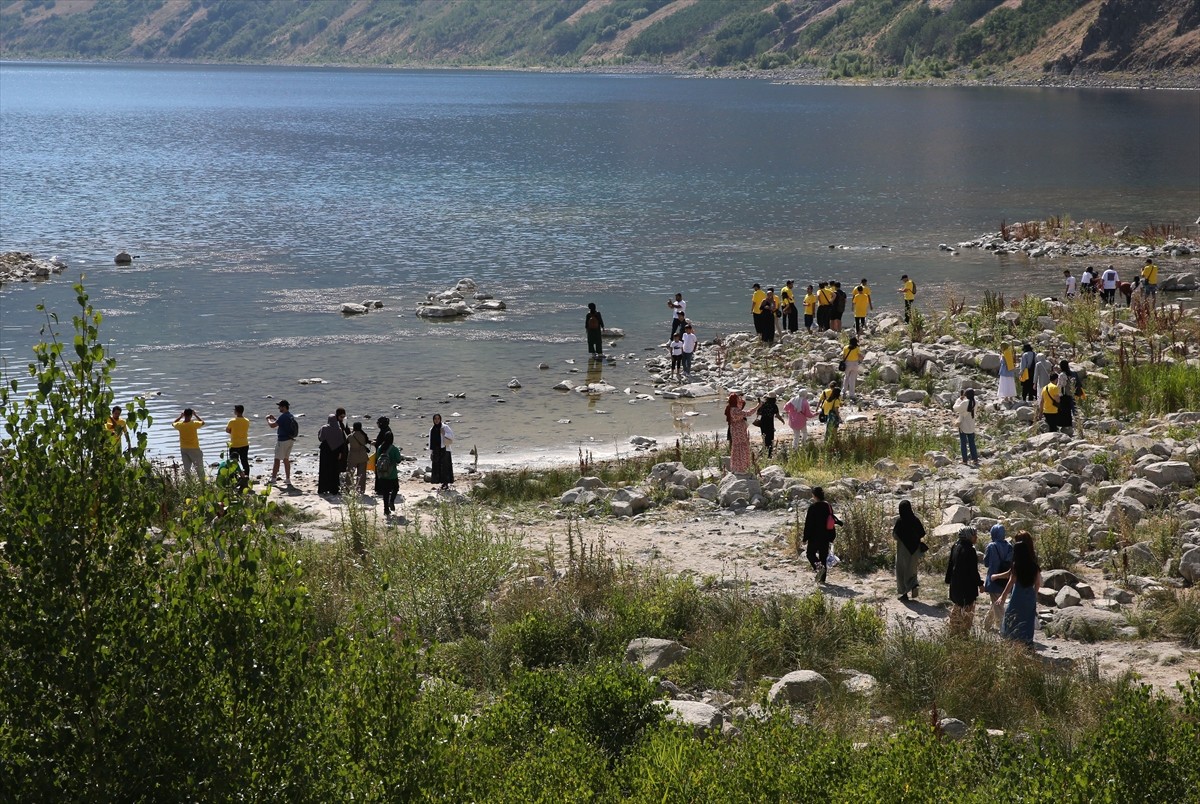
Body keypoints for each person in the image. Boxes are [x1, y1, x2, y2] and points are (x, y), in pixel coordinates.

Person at [995, 530, 1041, 645]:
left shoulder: (1017, 564)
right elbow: (1038, 582)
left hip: (1018, 594)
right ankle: (1026, 642)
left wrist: (1003, 596)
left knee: (1011, 616)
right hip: (1030, 594)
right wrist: (1034, 595)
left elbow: (1011, 580)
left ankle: (1011, 640)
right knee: (1027, 619)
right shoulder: (1034, 563)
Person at [945, 527, 983, 635]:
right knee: (968, 610)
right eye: (974, 535)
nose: (976, 537)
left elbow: (950, 565)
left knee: (957, 607)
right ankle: (964, 633)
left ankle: (953, 631)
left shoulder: (956, 546)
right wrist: (980, 584)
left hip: (955, 583)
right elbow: (973, 571)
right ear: (969, 536)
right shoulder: (970, 550)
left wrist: (948, 579)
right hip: (967, 586)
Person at [802, 486, 839, 584]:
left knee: (810, 554)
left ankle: (819, 568)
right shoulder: (828, 506)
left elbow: (808, 524)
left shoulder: (813, 507)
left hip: (814, 536)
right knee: (823, 557)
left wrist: (805, 538)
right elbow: (831, 521)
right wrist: (832, 536)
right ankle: (822, 580)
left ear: (814, 496)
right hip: (826, 536)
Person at [982, 523, 1013, 630]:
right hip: (1005, 579)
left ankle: (1003, 628)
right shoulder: (1009, 546)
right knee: (997, 603)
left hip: (993, 579)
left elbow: (986, 563)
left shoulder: (991, 546)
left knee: (998, 605)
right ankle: (986, 625)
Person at [893, 500, 925, 601]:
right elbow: (922, 533)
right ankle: (913, 585)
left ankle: (904, 594)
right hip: (914, 550)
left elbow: (895, 536)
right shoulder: (915, 520)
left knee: (901, 571)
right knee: (912, 570)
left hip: (902, 550)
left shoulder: (900, 521)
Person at [266, 399, 298, 487]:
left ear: (284, 407)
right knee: (286, 459)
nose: (278, 408)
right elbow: (282, 424)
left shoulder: (283, 416)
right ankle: (288, 479)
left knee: (277, 459)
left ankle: (273, 479)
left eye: (279, 406)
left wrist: (268, 419)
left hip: (282, 441)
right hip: (290, 440)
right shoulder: (290, 415)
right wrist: (274, 419)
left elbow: (272, 425)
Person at [724, 392, 758, 473]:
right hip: (739, 431)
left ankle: (738, 467)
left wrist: (740, 399)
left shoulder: (731, 408)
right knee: (741, 447)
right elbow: (748, 413)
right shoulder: (735, 410)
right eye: (737, 399)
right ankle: (741, 467)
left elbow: (742, 404)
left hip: (736, 430)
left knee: (737, 447)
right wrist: (758, 406)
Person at [317, 412, 348, 495]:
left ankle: (323, 488)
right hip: (335, 452)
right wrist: (340, 453)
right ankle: (334, 489)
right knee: (334, 470)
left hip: (325, 451)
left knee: (324, 469)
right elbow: (341, 443)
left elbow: (321, 438)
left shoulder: (324, 428)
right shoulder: (339, 429)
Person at [374, 428, 402, 517]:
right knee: (396, 488)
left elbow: (377, 458)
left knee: (385, 492)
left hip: (382, 474)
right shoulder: (394, 449)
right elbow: (398, 460)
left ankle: (386, 509)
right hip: (392, 473)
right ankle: (392, 501)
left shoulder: (380, 448)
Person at [172, 408, 206, 481]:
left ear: (184, 415)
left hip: (184, 449)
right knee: (200, 469)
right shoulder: (194, 424)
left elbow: (173, 423)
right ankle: (203, 483)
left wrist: (180, 417)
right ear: (191, 415)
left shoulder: (180, 425)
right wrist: (195, 415)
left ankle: (189, 484)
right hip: (194, 449)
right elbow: (203, 422)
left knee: (187, 469)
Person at [429, 413, 454, 490]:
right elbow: (430, 441)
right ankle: (442, 483)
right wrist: (431, 453)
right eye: (435, 419)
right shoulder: (432, 429)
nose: (436, 420)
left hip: (445, 449)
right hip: (436, 451)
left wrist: (444, 433)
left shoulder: (445, 427)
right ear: (433, 420)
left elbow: (452, 436)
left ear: (440, 419)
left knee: (445, 467)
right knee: (438, 467)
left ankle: (446, 483)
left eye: (438, 419)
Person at [755, 391, 784, 458]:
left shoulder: (763, 404)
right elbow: (777, 415)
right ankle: (769, 455)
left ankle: (763, 452)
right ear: (774, 399)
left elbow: (758, 413)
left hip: (763, 422)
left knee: (764, 437)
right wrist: (782, 420)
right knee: (770, 438)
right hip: (770, 423)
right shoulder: (774, 406)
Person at [954, 389, 978, 466]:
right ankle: (975, 459)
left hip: (963, 425)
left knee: (963, 443)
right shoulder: (976, 402)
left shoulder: (964, 402)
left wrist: (959, 400)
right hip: (971, 424)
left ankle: (965, 460)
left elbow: (956, 408)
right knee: (972, 443)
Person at [346, 421, 371, 494]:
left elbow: (345, 443)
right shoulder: (364, 435)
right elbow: (367, 441)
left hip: (353, 457)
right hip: (363, 456)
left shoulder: (350, 436)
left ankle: (347, 489)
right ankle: (360, 490)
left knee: (350, 474)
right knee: (361, 474)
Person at [225, 404, 251, 475]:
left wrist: (232, 432)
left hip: (234, 444)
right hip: (244, 444)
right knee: (244, 461)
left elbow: (227, 430)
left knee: (233, 462)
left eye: (234, 410)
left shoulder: (232, 421)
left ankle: (233, 476)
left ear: (236, 411)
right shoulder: (247, 421)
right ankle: (246, 476)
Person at [1057, 359, 1081, 434]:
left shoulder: (1062, 374)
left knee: (1065, 411)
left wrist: (1058, 395)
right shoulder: (1073, 373)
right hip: (1073, 393)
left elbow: (1060, 386)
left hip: (1065, 395)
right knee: (1074, 409)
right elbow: (1078, 383)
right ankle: (1077, 423)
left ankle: (1065, 426)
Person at [373, 416, 394, 496]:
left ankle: (380, 489)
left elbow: (380, 443)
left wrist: (375, 443)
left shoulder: (383, 431)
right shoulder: (387, 430)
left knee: (379, 471)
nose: (377, 424)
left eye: (378, 423)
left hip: (381, 455)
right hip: (388, 454)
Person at [841, 336, 861, 401]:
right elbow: (859, 356)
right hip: (855, 364)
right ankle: (852, 394)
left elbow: (843, 357)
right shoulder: (857, 348)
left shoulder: (845, 347)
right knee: (852, 379)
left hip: (847, 363)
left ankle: (843, 392)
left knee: (846, 377)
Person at [997, 342, 1017, 406]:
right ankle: (1011, 397)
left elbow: (1003, 362)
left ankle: (1006, 397)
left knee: (1005, 384)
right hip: (1010, 371)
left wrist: (1000, 357)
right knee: (1010, 384)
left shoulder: (1004, 354)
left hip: (1005, 371)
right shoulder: (1010, 352)